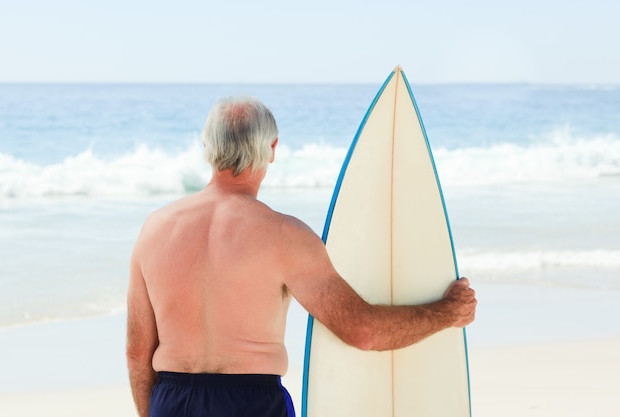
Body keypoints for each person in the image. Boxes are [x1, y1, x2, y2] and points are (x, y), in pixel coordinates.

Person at [126, 96, 477, 417]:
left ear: (207, 147)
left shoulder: (154, 230)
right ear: (273, 148)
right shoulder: (283, 235)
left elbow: (138, 354)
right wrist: (447, 312)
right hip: (251, 403)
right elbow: (362, 330)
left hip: (172, 402)